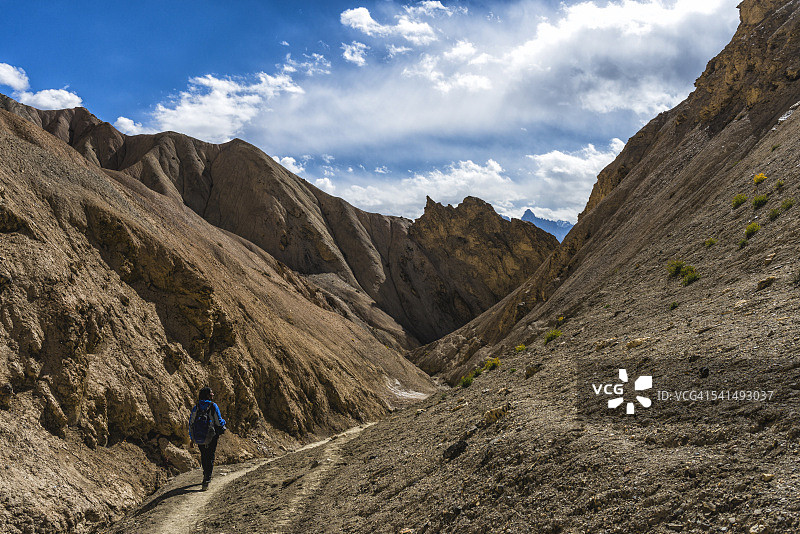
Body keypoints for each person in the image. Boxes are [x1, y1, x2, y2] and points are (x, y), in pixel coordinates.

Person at [189, 386, 227, 491]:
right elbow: (218, 422)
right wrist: (224, 422)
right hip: (211, 436)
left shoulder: (196, 407)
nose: (212, 394)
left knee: (204, 455)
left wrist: (192, 438)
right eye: (211, 393)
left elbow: (191, 423)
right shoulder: (213, 406)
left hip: (199, 436)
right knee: (210, 455)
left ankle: (205, 473)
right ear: (207, 395)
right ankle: (207, 479)